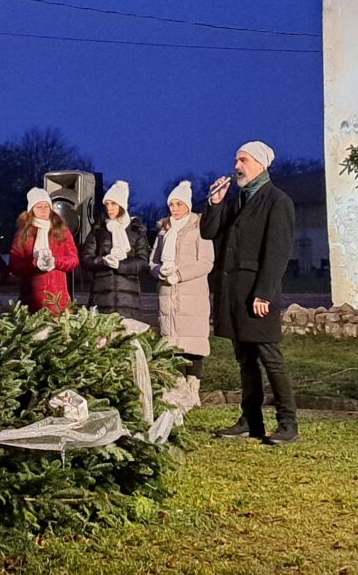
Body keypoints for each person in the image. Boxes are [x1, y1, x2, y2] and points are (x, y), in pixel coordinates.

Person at [201, 141, 298, 445]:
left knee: (270, 358)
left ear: (260, 164)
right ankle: (251, 420)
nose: (237, 166)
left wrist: (264, 293)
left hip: (257, 294)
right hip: (233, 292)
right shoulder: (236, 201)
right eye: (236, 160)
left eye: (243, 160)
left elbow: (278, 252)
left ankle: (288, 423)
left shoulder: (277, 201)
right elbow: (208, 232)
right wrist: (215, 203)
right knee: (245, 359)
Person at [150, 181, 215, 403]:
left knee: (193, 345)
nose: (174, 208)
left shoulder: (200, 229)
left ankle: (193, 388)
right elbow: (152, 262)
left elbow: (206, 262)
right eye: (171, 204)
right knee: (171, 346)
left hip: (192, 296)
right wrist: (160, 271)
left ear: (187, 205)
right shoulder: (163, 231)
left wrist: (179, 275)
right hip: (168, 297)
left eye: (179, 204)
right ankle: (177, 389)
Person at [79, 180, 150, 321]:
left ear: (122, 205)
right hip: (101, 299)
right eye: (107, 204)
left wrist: (120, 265)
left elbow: (143, 261)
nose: (109, 208)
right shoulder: (98, 229)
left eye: (113, 204)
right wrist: (103, 261)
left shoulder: (136, 231)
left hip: (129, 301)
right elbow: (86, 259)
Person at [9, 188, 80, 315]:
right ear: (31, 210)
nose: (43, 210)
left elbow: (73, 260)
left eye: (46, 206)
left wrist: (55, 262)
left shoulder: (62, 231)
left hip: (58, 299)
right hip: (31, 299)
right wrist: (34, 263)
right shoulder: (23, 234)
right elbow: (15, 266)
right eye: (39, 206)